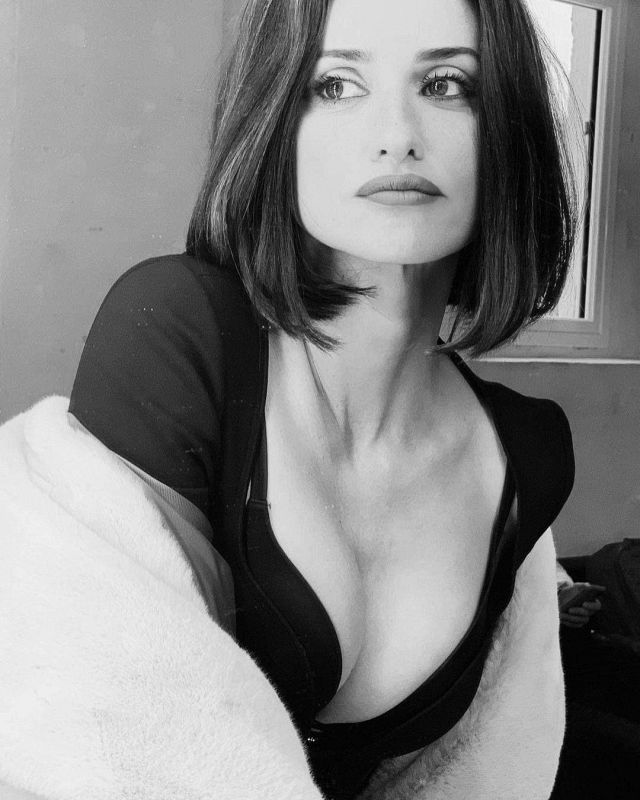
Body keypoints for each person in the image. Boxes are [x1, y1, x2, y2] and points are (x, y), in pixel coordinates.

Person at [4, 1, 577, 798]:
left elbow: (487, 767)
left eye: (447, 84)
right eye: (336, 85)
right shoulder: (183, 331)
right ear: (277, 125)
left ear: (509, 128)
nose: (397, 134)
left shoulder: (527, 449)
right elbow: (104, 725)